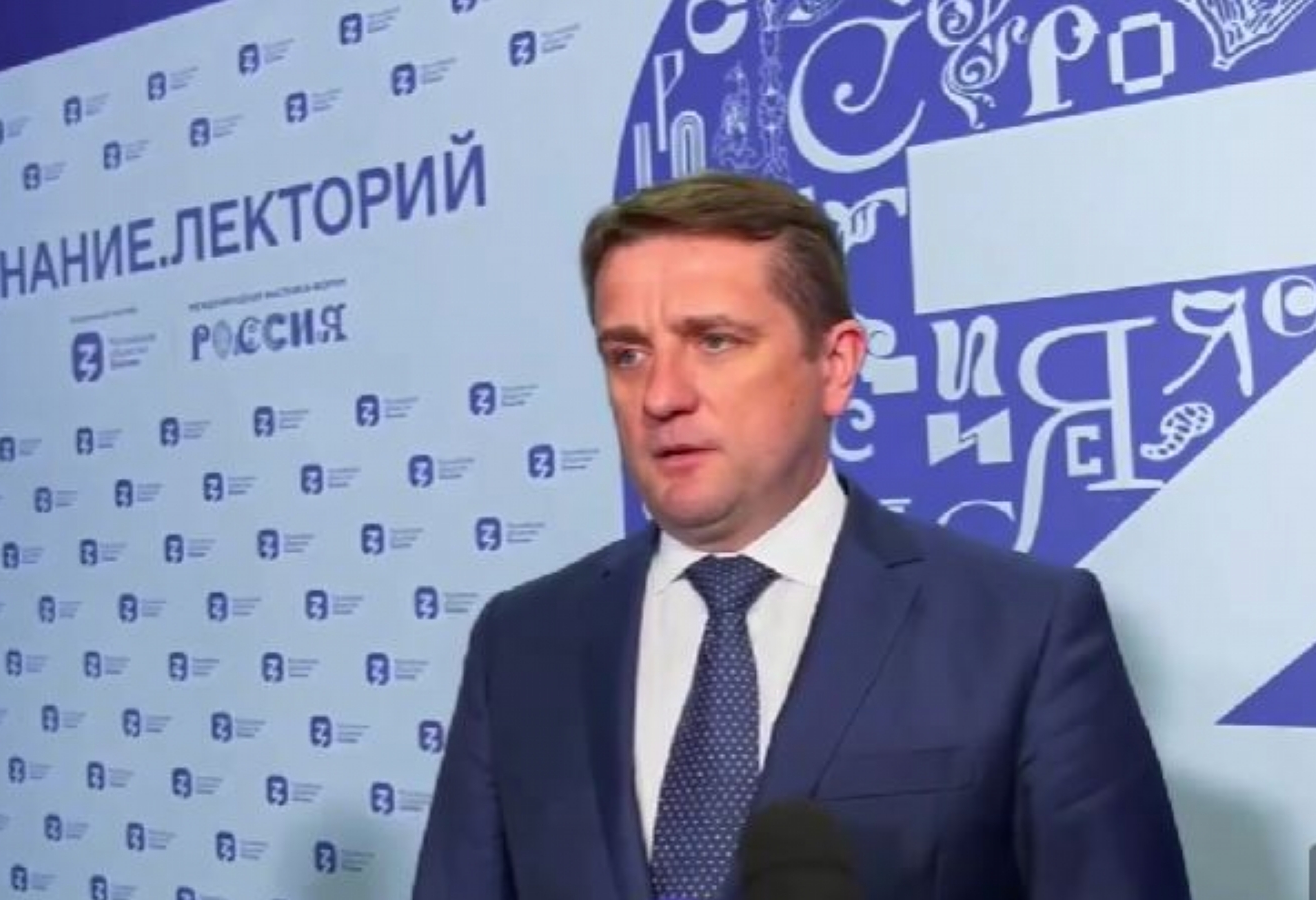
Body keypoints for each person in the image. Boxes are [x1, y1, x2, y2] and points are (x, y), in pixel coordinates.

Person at [411, 172, 1192, 900]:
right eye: (628, 354)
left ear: (836, 365)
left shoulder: (1023, 629)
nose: (661, 396)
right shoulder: (522, 642)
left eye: (714, 341)